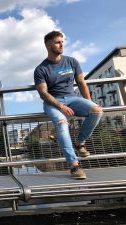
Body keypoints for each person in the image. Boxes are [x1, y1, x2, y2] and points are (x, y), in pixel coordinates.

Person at [34, 30, 103, 179]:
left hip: (72, 98)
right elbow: (43, 93)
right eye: (57, 42)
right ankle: (74, 166)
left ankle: (80, 142)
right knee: (61, 122)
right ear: (48, 45)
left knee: (97, 110)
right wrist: (61, 107)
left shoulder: (72, 61)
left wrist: (89, 103)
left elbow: (81, 83)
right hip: (53, 102)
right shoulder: (41, 69)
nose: (61, 45)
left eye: (62, 42)